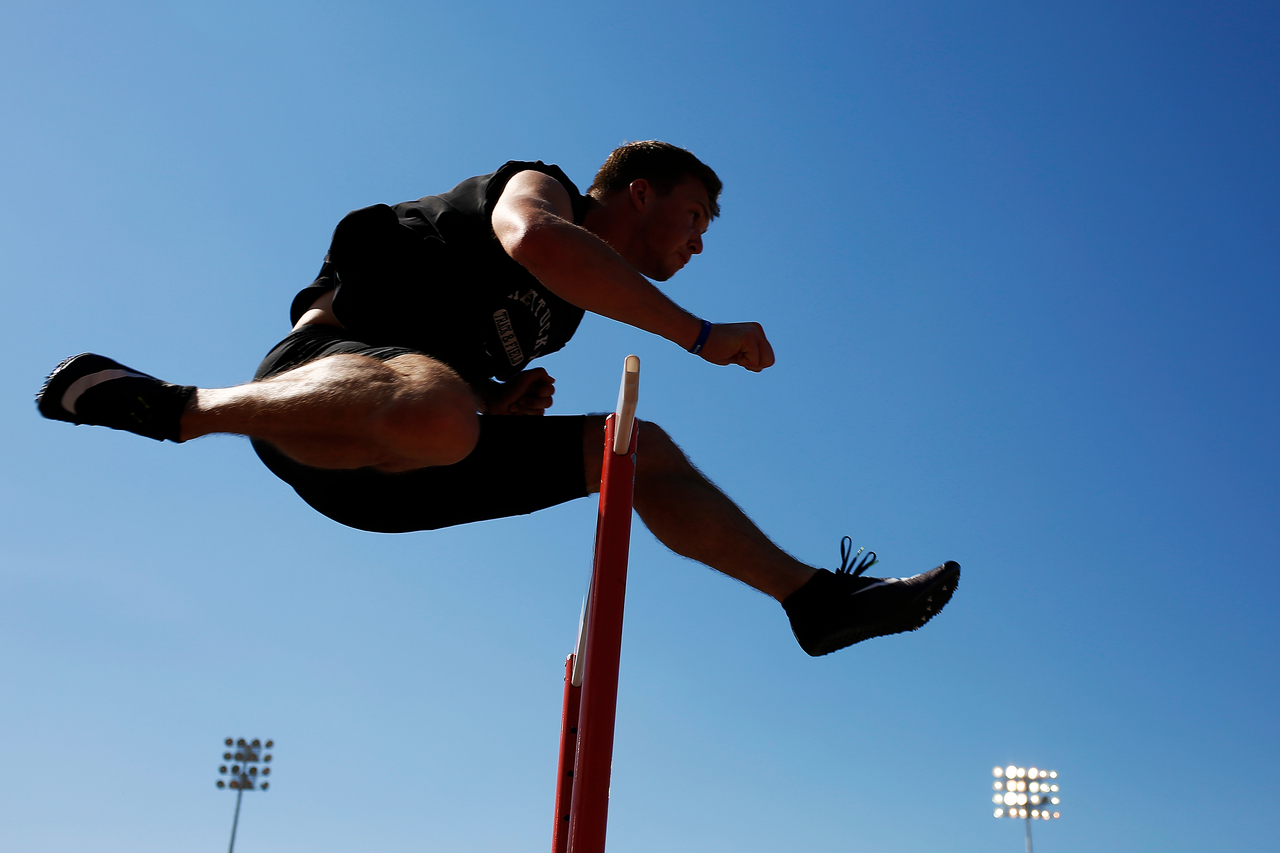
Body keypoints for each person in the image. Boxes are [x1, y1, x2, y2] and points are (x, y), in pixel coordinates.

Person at [35, 141, 959, 656]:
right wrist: (699, 333)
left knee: (635, 449)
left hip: (406, 463)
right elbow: (538, 242)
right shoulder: (540, 186)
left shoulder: (564, 321)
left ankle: (812, 600)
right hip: (315, 385)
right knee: (438, 407)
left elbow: (488, 347)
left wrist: (497, 399)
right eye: (695, 219)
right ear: (638, 193)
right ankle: (178, 407)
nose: (699, 244)